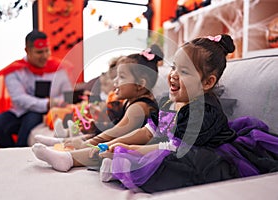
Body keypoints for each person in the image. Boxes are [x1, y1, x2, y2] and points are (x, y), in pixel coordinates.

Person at [96, 34, 278, 193]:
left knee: (183, 166)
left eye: (184, 71)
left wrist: (136, 150)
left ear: (207, 83)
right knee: (156, 154)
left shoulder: (204, 111)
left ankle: (124, 165)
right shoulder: (169, 102)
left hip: (204, 151)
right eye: (174, 67)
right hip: (176, 146)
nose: (173, 75)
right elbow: (148, 131)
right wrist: (114, 142)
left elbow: (176, 146)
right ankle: (122, 163)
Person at [32, 49, 161, 171]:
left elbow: (116, 132)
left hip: (134, 148)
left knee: (101, 148)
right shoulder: (130, 101)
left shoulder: (139, 108)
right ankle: (62, 142)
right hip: (121, 139)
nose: (115, 81)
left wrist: (91, 142)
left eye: (121, 77)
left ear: (140, 84)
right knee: (96, 135)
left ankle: (68, 159)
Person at [0, 30, 74, 148]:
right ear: (27, 51)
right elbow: (19, 98)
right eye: (39, 52)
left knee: (31, 120)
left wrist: (56, 102)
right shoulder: (15, 70)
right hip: (20, 111)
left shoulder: (59, 68)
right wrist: (47, 103)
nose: (44, 56)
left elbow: (67, 94)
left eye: (46, 51)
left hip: (49, 112)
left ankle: (20, 151)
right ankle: (10, 149)